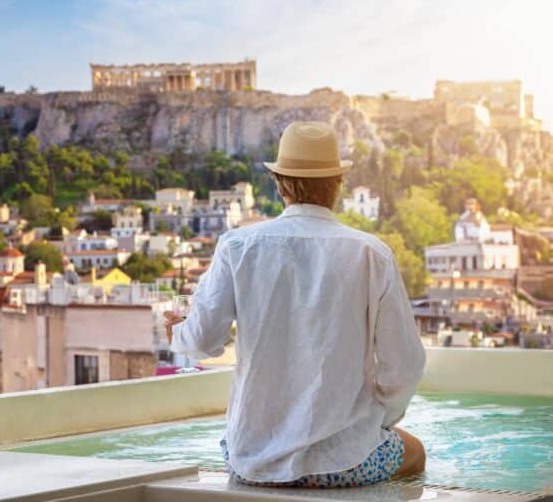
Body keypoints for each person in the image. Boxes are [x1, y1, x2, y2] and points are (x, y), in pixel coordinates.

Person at [164, 121, 426, 488]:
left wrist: (177, 332)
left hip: (251, 463)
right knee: (416, 452)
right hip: (344, 464)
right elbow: (406, 363)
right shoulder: (370, 253)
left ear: (279, 182)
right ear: (337, 183)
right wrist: (380, 418)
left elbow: (201, 340)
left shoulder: (237, 246)